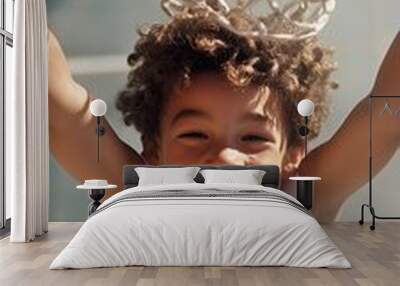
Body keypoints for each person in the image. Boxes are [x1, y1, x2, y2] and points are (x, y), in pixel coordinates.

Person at [48, 9, 400, 222]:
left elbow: (387, 115)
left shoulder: (305, 202)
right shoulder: (138, 197)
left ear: (295, 155)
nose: (224, 157)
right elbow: (59, 110)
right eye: (194, 135)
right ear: (154, 151)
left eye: (253, 138)